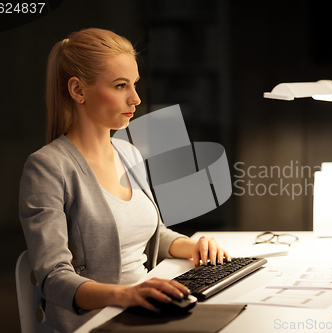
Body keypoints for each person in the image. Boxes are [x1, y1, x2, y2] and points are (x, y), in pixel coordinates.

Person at [19, 28, 230, 333]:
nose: (135, 98)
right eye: (120, 86)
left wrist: (191, 246)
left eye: (134, 84)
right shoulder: (47, 167)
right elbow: (53, 279)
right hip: (98, 322)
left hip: (143, 311)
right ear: (78, 91)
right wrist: (126, 295)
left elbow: (152, 234)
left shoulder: (128, 152)